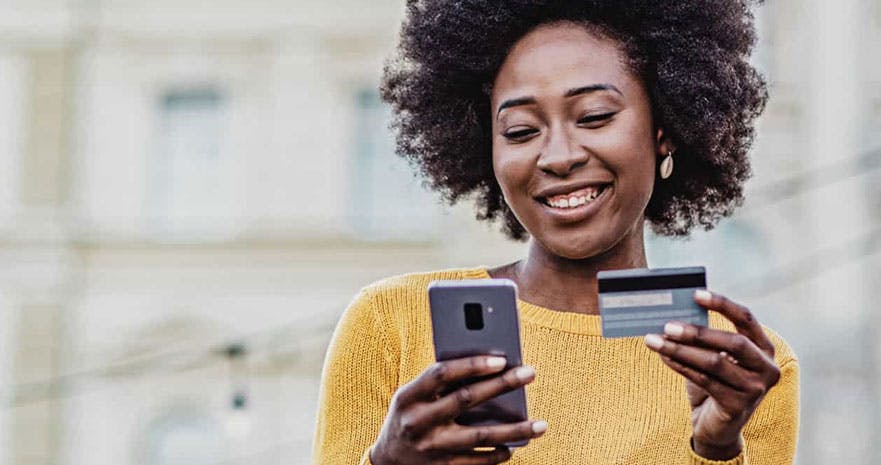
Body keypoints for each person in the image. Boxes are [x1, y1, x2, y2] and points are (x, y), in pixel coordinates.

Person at [313, 1, 798, 464]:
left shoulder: (740, 373)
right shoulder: (392, 323)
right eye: (521, 131)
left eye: (594, 117)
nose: (559, 156)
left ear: (664, 129)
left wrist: (717, 450)